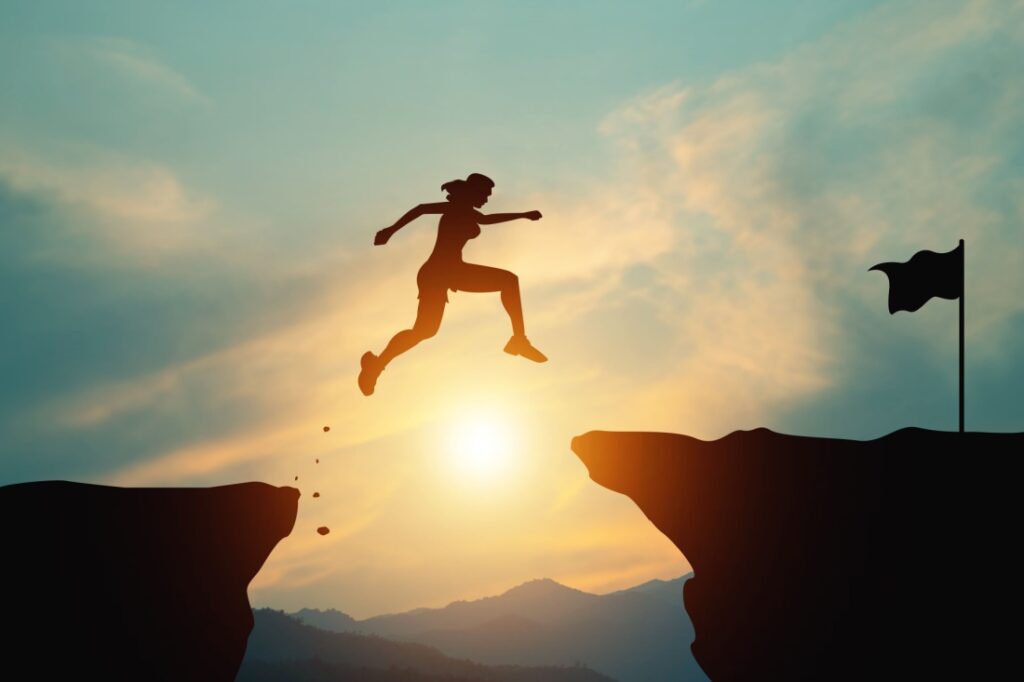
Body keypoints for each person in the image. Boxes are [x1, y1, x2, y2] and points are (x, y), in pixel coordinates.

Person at [359, 173, 547, 396]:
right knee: (424, 330)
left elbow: (487, 219)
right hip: (438, 273)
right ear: (473, 192)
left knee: (424, 331)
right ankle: (376, 366)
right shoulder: (454, 208)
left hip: (451, 272)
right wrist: (390, 230)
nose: (487, 199)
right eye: (485, 194)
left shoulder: (470, 213)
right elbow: (420, 209)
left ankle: (519, 340)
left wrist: (523, 215)